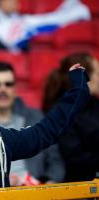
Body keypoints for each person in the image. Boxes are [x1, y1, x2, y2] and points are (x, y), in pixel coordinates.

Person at [41, 52, 99, 183]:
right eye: (98, 74)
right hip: (78, 184)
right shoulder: (62, 110)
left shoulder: (94, 104)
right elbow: (73, 157)